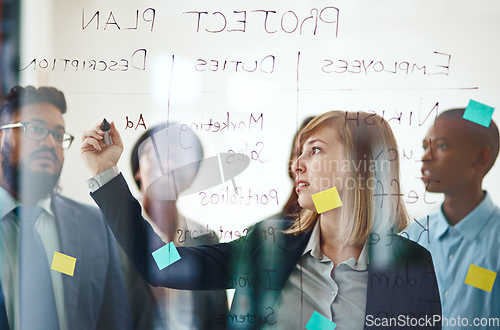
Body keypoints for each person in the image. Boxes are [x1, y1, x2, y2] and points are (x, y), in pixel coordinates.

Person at [81, 110, 442, 329]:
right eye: (298, 151)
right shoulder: (268, 242)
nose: (296, 164)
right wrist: (107, 176)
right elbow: (166, 265)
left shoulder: (411, 265)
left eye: (315, 150)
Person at [0, 86, 132, 329]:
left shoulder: (93, 225)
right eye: (36, 129)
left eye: (58, 135)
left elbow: (116, 320)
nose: (51, 142)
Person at [121, 123, 228, 329]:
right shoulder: (108, 231)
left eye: (182, 159)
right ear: (137, 170)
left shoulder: (206, 237)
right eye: (159, 154)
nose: (170, 163)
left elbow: (218, 314)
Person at [405, 108, 500, 329]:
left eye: (442, 146)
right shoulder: (413, 236)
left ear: (480, 157)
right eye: (424, 146)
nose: (425, 157)